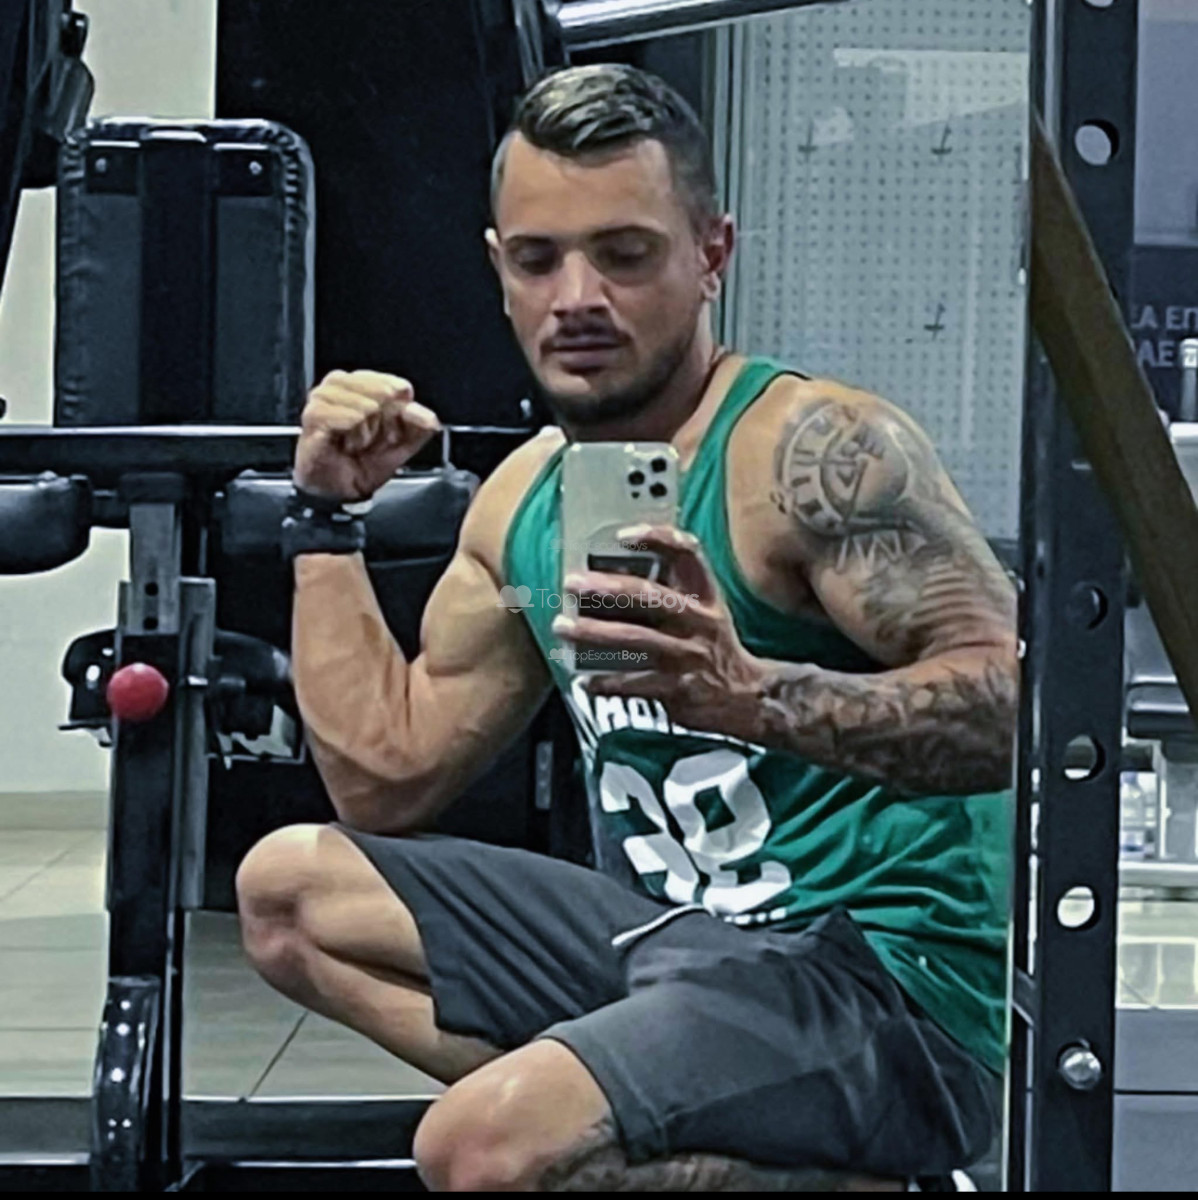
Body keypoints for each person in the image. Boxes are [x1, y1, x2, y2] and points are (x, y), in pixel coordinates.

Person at [235, 64, 1018, 1192]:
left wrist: (750, 696)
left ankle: (633, 1138)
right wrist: (323, 521)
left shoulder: (813, 455)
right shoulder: (521, 501)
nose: (578, 298)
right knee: (289, 893)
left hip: (882, 991)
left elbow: (1017, 712)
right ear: (499, 270)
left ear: (711, 254)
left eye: (625, 254)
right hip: (672, 949)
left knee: (478, 1150)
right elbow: (385, 781)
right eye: (539, 259)